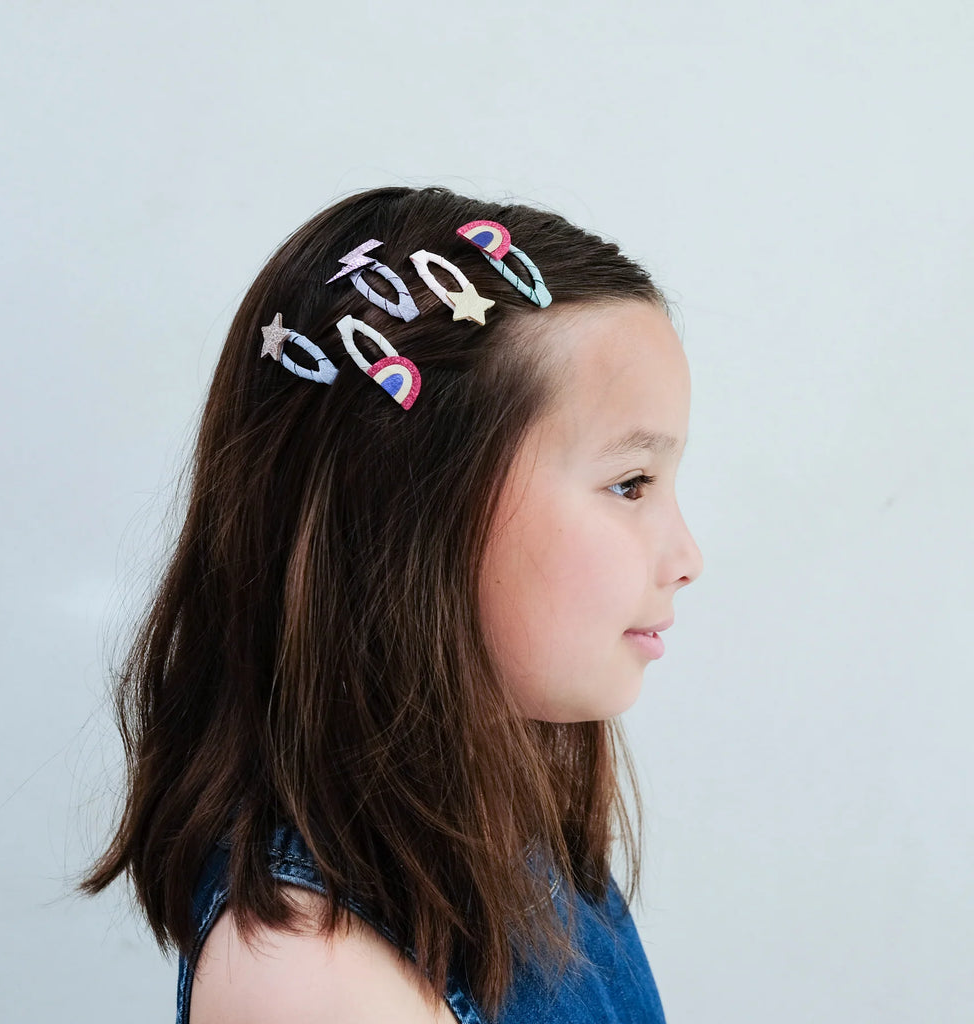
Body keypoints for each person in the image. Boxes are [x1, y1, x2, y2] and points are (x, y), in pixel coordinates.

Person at [79, 184, 704, 1023]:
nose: (686, 557)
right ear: (415, 514)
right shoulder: (314, 984)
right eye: (630, 484)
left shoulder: (503, 845)